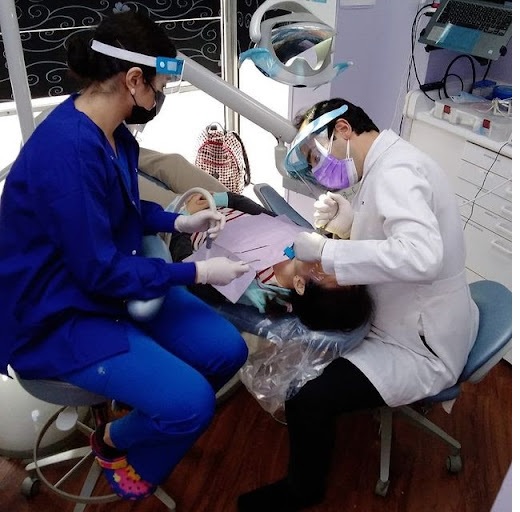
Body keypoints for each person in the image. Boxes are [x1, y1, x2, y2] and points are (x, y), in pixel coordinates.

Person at [0, 11, 251, 501]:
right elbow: (99, 270)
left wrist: (177, 221)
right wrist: (196, 271)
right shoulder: (68, 153)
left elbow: (121, 211)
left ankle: (130, 425)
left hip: (113, 281)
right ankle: (119, 450)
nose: (158, 98)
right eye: (158, 88)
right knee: (192, 404)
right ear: (134, 80)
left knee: (228, 351)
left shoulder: (110, 134)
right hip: (59, 313)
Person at [237, 98, 479, 511]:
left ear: (343, 129)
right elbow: (392, 239)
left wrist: (328, 253)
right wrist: (351, 226)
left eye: (316, 157)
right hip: (416, 315)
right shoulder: (387, 165)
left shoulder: (397, 171)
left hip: (419, 342)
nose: (319, 170)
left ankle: (303, 489)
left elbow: (422, 257)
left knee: (307, 396)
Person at [167, 190, 374, 332]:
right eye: (339, 263)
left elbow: (187, 268)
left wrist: (184, 217)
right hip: (213, 202)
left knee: (162, 169)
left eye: (327, 268)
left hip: (175, 224)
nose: (329, 255)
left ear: (300, 285)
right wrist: (221, 198)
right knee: (175, 163)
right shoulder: (301, 239)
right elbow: (255, 210)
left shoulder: (252, 285)